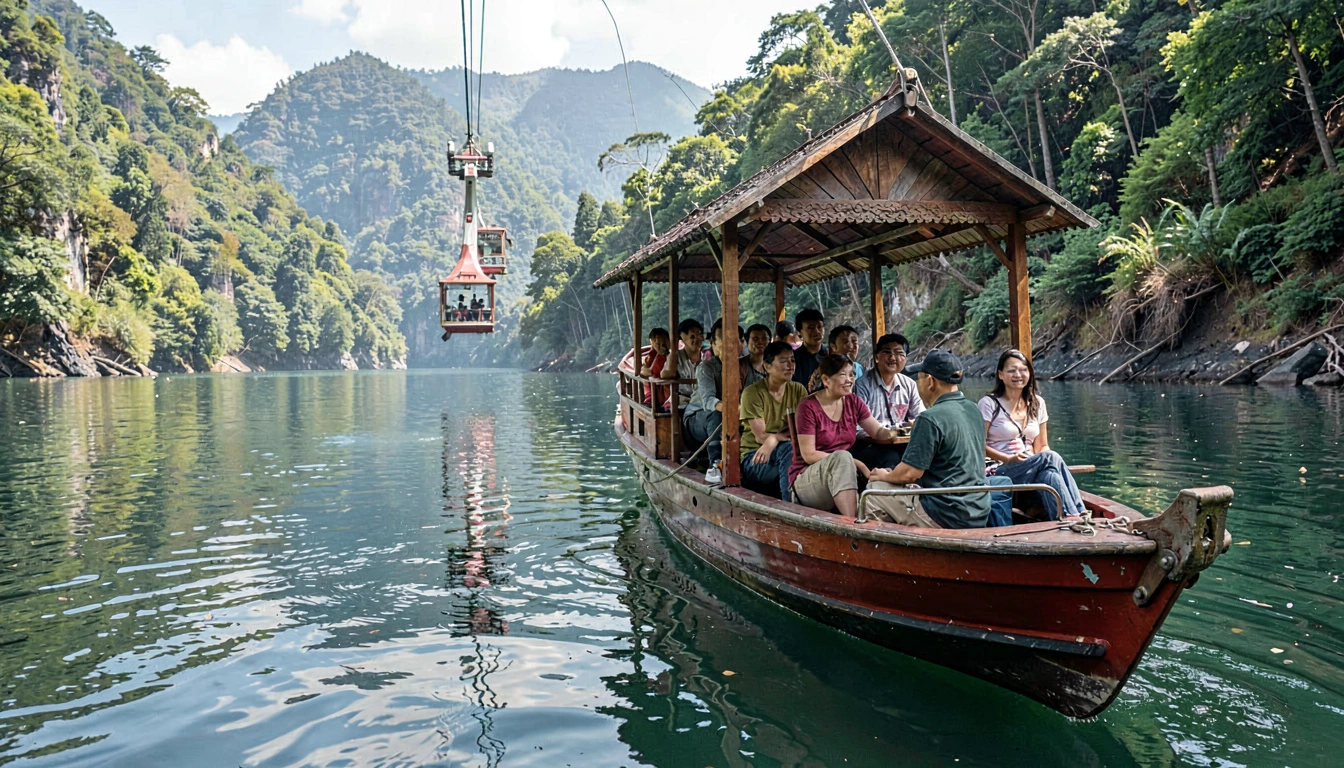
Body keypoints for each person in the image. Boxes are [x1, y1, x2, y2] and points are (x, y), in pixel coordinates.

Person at [865, 350, 990, 529]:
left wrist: (886, 475)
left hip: (944, 513)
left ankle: (889, 552)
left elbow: (910, 473)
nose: (917, 383)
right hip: (978, 509)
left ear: (930, 381)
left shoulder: (929, 418)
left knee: (873, 492)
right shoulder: (974, 409)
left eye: (919, 378)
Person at [978, 349, 1086, 520]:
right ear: (1000, 374)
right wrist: (1008, 459)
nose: (1018, 374)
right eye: (1012, 370)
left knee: (1049, 473)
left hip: (1030, 466)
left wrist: (1039, 461)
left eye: (1023, 370)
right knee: (1050, 458)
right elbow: (977, 446)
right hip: (998, 470)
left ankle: (1067, 519)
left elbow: (1042, 445)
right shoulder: (988, 404)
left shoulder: (1037, 403)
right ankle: (1079, 510)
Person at [790, 355, 901, 514]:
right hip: (808, 479)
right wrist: (858, 464)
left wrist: (900, 431)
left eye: (852, 374)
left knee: (889, 454)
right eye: (843, 375)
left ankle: (886, 509)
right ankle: (853, 523)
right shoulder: (807, 407)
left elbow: (877, 431)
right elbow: (809, 455)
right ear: (826, 380)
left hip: (843, 470)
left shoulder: (853, 401)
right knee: (843, 457)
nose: (849, 380)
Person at [739, 341, 807, 500]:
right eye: (784, 362)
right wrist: (774, 438)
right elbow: (761, 436)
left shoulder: (798, 390)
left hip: (787, 452)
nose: (790, 365)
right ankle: (789, 507)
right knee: (789, 449)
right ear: (767, 367)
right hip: (755, 457)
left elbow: (803, 427)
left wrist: (775, 437)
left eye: (793, 360)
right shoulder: (752, 393)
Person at [852, 333, 924, 470]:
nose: (892, 358)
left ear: (905, 359)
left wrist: (916, 424)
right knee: (892, 457)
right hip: (870, 445)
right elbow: (857, 429)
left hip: (901, 443)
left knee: (919, 454)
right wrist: (886, 434)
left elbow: (921, 417)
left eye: (899, 353)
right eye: (887, 352)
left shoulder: (909, 385)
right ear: (877, 356)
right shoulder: (862, 385)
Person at [685, 320, 730, 478]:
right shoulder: (706, 367)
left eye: (737, 340)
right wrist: (730, 409)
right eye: (726, 340)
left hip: (728, 416)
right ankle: (716, 464)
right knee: (717, 415)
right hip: (697, 418)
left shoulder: (742, 366)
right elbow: (708, 401)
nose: (732, 345)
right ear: (714, 343)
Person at [657, 318, 703, 410]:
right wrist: (673, 350)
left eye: (699, 335)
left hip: (702, 398)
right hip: (682, 399)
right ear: (682, 339)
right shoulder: (676, 357)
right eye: (692, 337)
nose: (697, 339)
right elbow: (666, 374)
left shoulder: (708, 355)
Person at [809, 325, 863, 390]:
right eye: (846, 342)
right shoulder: (824, 370)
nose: (851, 346)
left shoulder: (859, 368)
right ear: (833, 347)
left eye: (855, 341)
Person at [792, 309, 827, 389]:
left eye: (820, 327)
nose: (817, 331)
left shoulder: (831, 354)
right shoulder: (793, 358)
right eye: (811, 328)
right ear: (799, 332)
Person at [639, 328, 671, 408]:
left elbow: (650, 371)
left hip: (666, 389)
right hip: (656, 388)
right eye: (655, 341)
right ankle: (649, 398)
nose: (657, 343)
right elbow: (646, 371)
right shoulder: (652, 354)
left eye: (661, 341)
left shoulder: (670, 356)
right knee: (647, 379)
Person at [741, 324, 771, 389]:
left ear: (770, 341)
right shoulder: (740, 366)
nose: (760, 342)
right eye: (755, 339)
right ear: (747, 341)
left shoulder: (775, 364)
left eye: (764, 338)